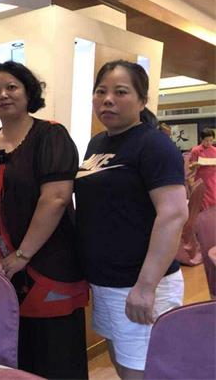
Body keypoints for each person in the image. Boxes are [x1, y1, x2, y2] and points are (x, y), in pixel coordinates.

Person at [0, 61, 88, 379]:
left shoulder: (51, 135)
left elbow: (56, 198)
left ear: (28, 92)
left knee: (56, 356)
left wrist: (22, 254)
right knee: (10, 353)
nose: (3, 94)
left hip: (49, 265)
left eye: (12, 87)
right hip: (0, 269)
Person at [75, 60, 188, 380]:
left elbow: (173, 214)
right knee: (123, 365)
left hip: (141, 282)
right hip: (107, 282)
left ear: (142, 101)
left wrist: (146, 287)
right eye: (101, 91)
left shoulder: (153, 144)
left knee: (144, 372)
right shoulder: (98, 143)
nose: (107, 99)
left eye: (121, 92)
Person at [189, 127, 216, 210]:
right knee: (202, 202)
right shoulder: (196, 150)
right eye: (206, 140)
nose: (209, 143)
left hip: (213, 180)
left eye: (211, 140)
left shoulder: (215, 150)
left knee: (213, 201)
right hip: (201, 179)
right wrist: (195, 165)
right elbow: (190, 167)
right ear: (201, 139)